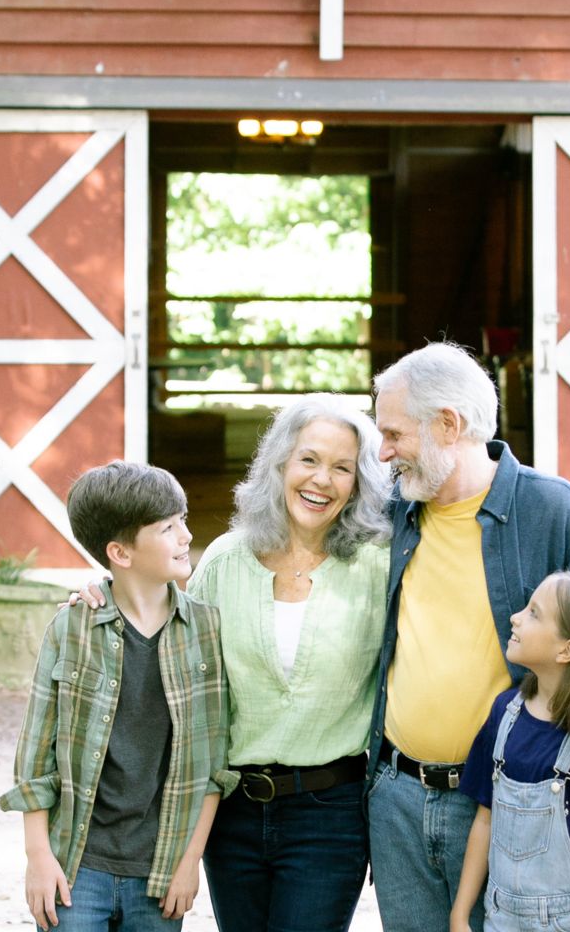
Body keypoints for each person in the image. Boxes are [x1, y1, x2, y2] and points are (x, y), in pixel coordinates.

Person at [72, 394, 391, 932]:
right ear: (280, 464)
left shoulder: (377, 566)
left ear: (359, 483)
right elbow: (163, 630)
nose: (322, 480)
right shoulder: (225, 558)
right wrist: (102, 591)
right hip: (232, 810)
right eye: (309, 459)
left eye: (343, 468)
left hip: (330, 812)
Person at [365, 342, 570, 932]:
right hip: (395, 798)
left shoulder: (550, 508)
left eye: (394, 433)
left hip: (504, 803)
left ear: (448, 425)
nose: (383, 451)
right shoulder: (392, 510)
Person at [0, 461, 235, 931]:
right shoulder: (72, 627)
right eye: (167, 528)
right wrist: (38, 856)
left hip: (159, 869)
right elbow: (36, 756)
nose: (186, 536)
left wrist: (190, 861)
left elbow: (212, 767)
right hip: (76, 865)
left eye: (183, 519)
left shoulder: (208, 630)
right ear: (120, 553)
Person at [449, 571, 570, 932]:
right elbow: (485, 820)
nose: (515, 617)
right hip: (500, 919)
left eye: (534, 613)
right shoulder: (503, 714)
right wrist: (460, 914)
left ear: (566, 650)